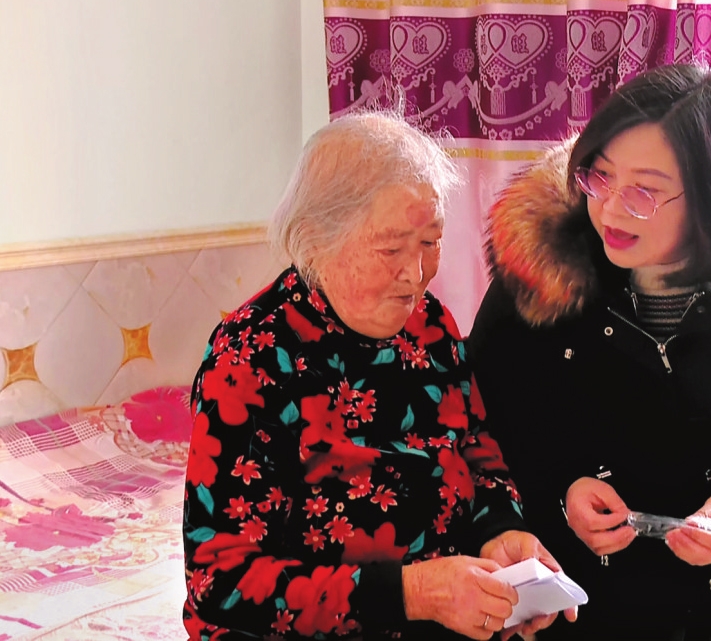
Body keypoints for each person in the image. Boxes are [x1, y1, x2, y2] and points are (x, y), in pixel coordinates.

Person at [468, 63, 711, 640]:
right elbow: (488, 419)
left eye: (644, 191)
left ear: (710, 195)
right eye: (600, 176)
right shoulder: (542, 268)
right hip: (580, 586)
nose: (611, 209)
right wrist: (560, 489)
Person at [182, 112, 573, 641]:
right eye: (390, 249)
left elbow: (476, 449)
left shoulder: (430, 325)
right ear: (315, 241)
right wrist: (414, 593)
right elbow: (220, 579)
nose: (416, 275)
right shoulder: (251, 357)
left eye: (430, 242)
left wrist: (500, 532)